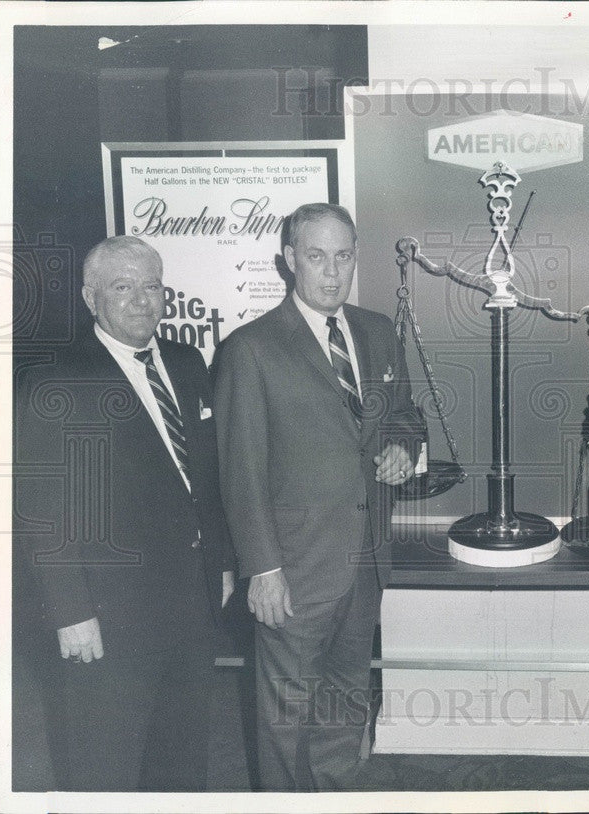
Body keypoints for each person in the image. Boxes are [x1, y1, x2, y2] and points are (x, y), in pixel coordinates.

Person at [214, 202, 424, 791]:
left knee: (343, 705)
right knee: (283, 720)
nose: (332, 273)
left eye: (343, 256)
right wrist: (262, 568)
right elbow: (241, 472)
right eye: (316, 257)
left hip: (363, 563)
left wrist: (403, 450)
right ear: (288, 262)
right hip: (292, 572)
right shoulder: (250, 349)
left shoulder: (379, 331)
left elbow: (407, 418)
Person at [13, 235, 236, 791]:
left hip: (193, 600)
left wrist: (224, 563)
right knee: (104, 765)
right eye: (123, 287)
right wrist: (70, 611)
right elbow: (42, 512)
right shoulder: (56, 380)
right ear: (92, 299)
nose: (143, 300)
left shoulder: (186, 363)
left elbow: (206, 478)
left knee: (182, 757)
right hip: (108, 615)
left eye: (153, 286)